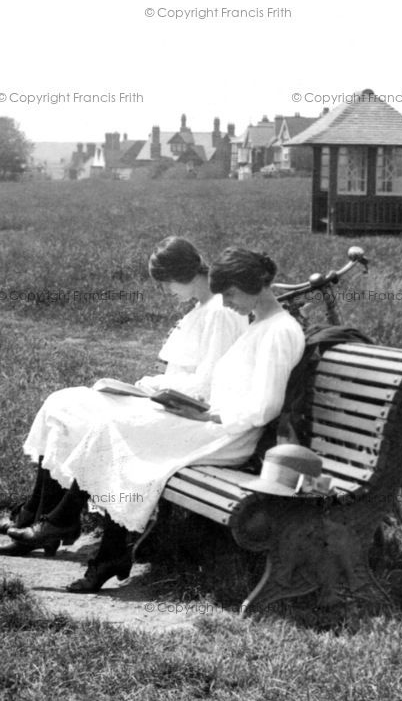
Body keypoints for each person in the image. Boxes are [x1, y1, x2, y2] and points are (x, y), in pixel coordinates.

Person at [56, 246, 306, 593]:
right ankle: (110, 549)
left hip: (229, 435)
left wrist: (207, 415)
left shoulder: (279, 331)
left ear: (254, 286)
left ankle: (102, 547)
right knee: (117, 426)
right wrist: (194, 407)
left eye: (230, 294)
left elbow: (265, 408)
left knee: (122, 432)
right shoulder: (260, 324)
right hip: (213, 421)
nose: (227, 303)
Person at [0, 236, 247, 557]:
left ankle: (53, 523)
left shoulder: (221, 312)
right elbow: (184, 373)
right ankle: (37, 513)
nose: (167, 291)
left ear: (182, 274)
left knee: (101, 420)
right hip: (165, 398)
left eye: (167, 283)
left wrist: (153, 388)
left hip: (188, 411)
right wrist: (148, 384)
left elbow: (208, 385)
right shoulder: (201, 308)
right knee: (64, 403)